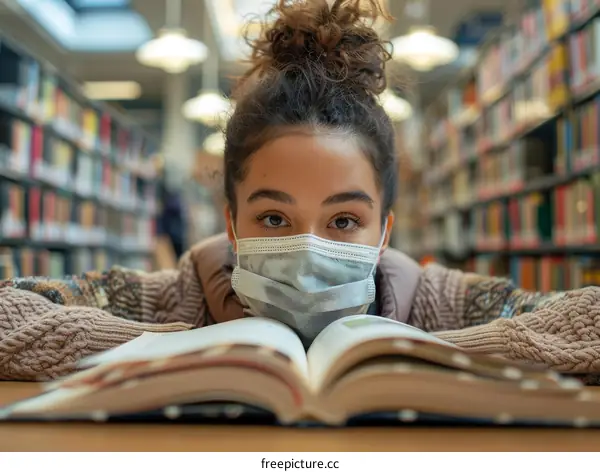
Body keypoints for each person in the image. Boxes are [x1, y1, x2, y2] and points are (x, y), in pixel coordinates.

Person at [1, 0, 599, 383]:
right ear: (231, 223)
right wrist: (198, 350)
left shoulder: (441, 302)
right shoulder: (165, 298)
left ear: (385, 231)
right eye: (273, 219)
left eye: (343, 221)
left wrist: (430, 356)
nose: (309, 249)